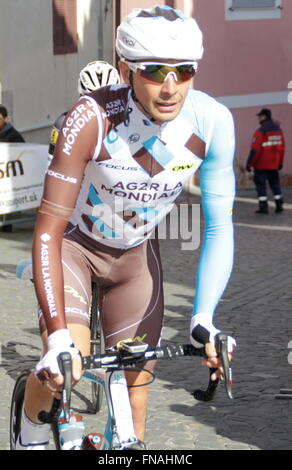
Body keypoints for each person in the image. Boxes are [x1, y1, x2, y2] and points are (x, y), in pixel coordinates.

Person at [17, 5, 236, 450]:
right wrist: (56, 330)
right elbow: (47, 229)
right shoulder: (92, 116)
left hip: (135, 260)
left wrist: (202, 319)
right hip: (74, 249)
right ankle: (31, 429)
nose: (171, 86)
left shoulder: (213, 122)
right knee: (65, 367)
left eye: (185, 71)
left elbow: (218, 229)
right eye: (155, 71)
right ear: (126, 70)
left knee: (135, 400)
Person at [48, 60, 120, 161]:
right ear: (81, 97)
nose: (100, 108)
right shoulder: (63, 124)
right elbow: (53, 166)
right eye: (93, 101)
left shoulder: (132, 119)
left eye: (107, 100)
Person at [246, 108, 285, 214]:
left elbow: (255, 149)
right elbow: (281, 148)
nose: (258, 118)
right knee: (275, 184)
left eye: (260, 116)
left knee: (261, 186)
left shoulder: (261, 131)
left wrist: (249, 164)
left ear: (264, 117)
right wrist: (280, 162)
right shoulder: (278, 130)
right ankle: (279, 205)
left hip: (261, 165)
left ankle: (264, 208)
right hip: (274, 164)